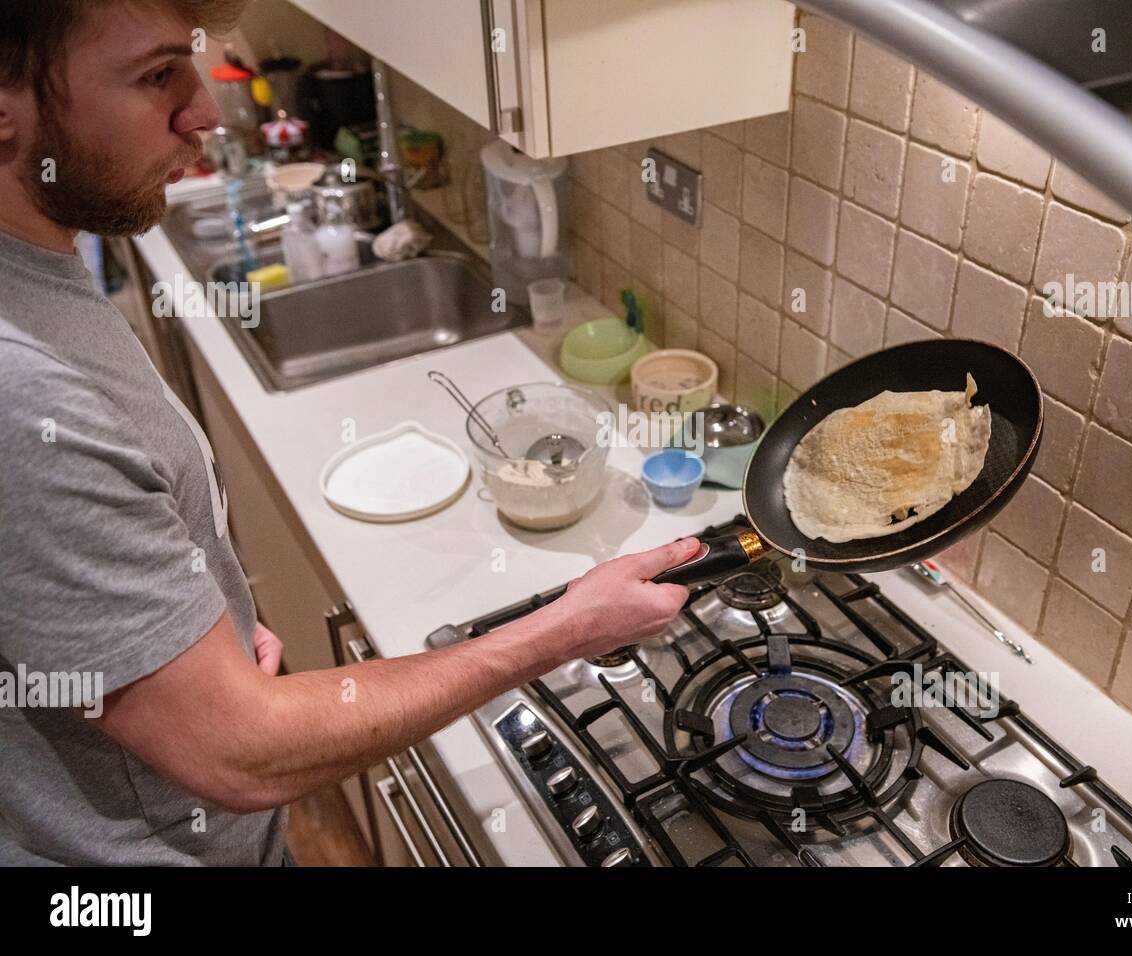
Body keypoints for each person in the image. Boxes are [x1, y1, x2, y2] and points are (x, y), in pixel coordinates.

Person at [0, 0, 695, 865]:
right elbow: (241, 752)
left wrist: (180, 644)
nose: (207, 112)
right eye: (154, 75)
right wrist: (570, 626)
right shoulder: (24, 396)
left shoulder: (36, 269)